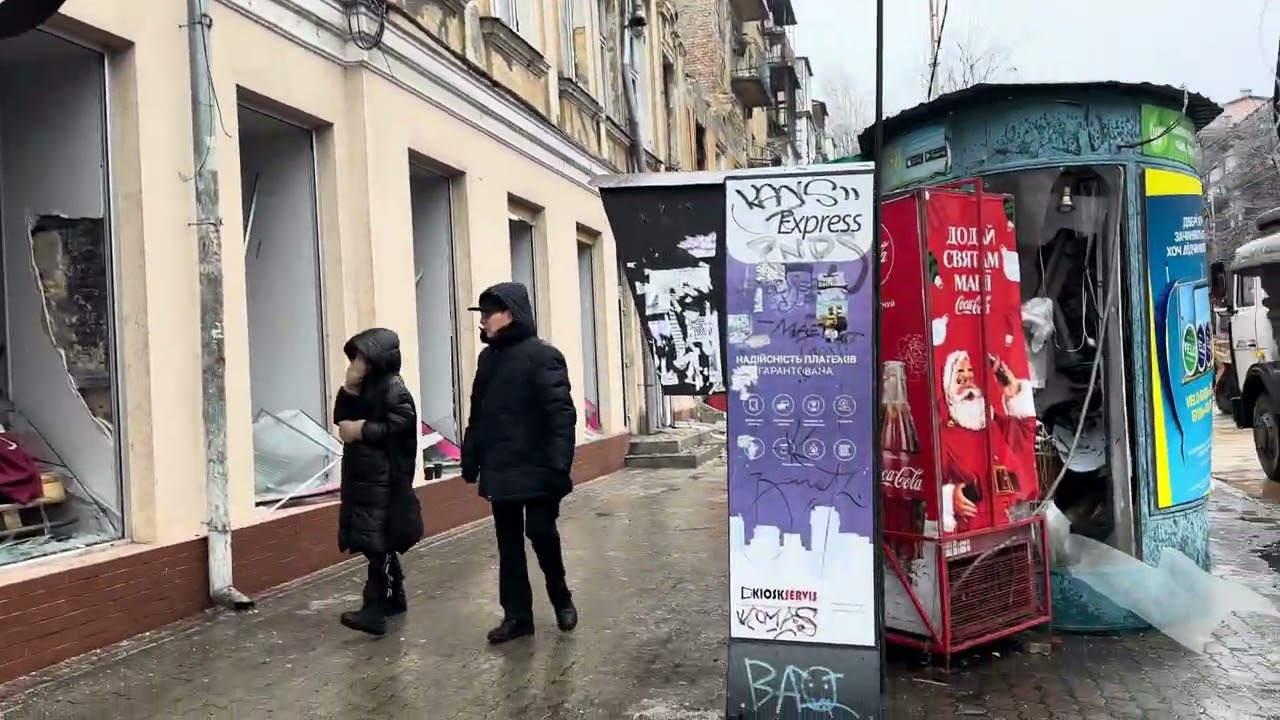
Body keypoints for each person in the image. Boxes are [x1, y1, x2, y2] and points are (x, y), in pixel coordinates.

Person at [462, 282, 579, 644]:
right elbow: (478, 413)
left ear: (509, 314)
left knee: (541, 533)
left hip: (541, 468)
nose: (482, 322)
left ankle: (561, 597)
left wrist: (559, 465)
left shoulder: (543, 356)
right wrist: (471, 456)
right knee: (508, 544)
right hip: (501, 468)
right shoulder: (488, 359)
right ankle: (517, 617)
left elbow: (561, 415)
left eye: (487, 314)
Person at [333, 327, 424, 637]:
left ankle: (373, 611)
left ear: (377, 359)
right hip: (365, 479)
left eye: (361, 357)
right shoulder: (366, 386)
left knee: (378, 546)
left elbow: (400, 426)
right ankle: (394, 597)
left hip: (385, 481)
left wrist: (362, 430)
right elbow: (340, 418)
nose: (356, 362)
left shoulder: (393, 389)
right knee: (376, 542)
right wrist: (349, 388)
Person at [936, 348, 1037, 532]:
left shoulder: (995, 424)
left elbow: (1026, 434)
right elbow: (923, 490)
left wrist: (1013, 390)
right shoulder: (942, 437)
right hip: (970, 539)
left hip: (1013, 532)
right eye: (960, 377)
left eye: (971, 374)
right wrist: (949, 499)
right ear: (949, 390)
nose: (968, 384)